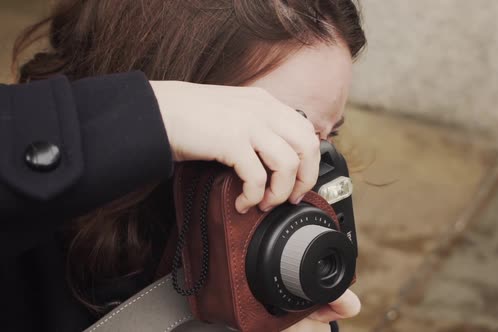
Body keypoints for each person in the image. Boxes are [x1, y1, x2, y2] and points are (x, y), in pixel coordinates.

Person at [1, 0, 366, 331]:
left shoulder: (286, 256)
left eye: (328, 136)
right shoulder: (32, 246)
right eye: (277, 129)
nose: (311, 166)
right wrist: (150, 115)